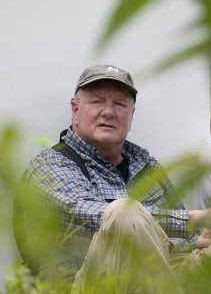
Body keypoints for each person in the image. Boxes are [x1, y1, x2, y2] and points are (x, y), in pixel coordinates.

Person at [24, 64, 211, 293]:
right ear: (75, 111)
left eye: (119, 104)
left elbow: (190, 242)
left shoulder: (145, 164)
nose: (108, 112)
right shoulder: (52, 166)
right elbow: (109, 220)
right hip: (90, 285)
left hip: (165, 276)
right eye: (97, 101)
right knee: (123, 212)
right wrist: (197, 218)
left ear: (131, 116)